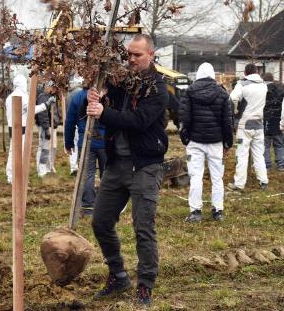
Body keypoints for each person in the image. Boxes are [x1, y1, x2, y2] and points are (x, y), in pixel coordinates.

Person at [86, 34, 169, 306]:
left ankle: (145, 285)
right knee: (100, 221)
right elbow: (107, 103)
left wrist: (103, 113)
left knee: (143, 227)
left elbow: (138, 121)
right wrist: (99, 95)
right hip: (117, 164)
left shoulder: (157, 88)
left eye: (137, 55)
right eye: (129, 54)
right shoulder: (122, 81)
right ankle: (118, 274)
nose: (131, 59)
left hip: (145, 166)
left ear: (151, 55)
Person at [178, 62, 233, 223]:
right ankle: (218, 211)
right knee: (217, 177)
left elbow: (184, 118)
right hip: (216, 142)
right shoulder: (223, 94)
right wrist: (227, 143)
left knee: (196, 176)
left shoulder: (189, 92)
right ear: (213, 75)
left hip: (195, 141)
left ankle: (195, 211)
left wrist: (185, 139)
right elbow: (227, 122)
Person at [5, 74, 55, 184]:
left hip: (12, 128)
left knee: (12, 153)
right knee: (20, 153)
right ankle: (16, 178)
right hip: (21, 129)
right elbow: (32, 109)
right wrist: (46, 105)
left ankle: (11, 176)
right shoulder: (23, 97)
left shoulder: (9, 97)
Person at [65, 88, 107, 215]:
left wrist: (69, 142)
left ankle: (88, 206)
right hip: (105, 141)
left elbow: (70, 122)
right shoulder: (106, 94)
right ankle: (106, 204)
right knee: (107, 173)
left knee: (87, 174)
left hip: (86, 141)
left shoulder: (77, 96)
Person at [227, 63, 268, 191]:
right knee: (259, 154)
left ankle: (239, 184)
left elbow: (233, 97)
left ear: (245, 73)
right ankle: (263, 182)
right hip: (259, 123)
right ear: (257, 71)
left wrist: (235, 111)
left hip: (245, 124)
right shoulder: (264, 85)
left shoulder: (242, 84)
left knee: (242, 154)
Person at [35, 81, 59, 176]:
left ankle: (49, 166)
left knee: (53, 147)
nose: (54, 90)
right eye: (53, 88)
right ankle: (41, 169)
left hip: (53, 126)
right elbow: (42, 114)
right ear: (48, 86)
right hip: (46, 126)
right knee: (44, 147)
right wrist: (46, 129)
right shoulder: (43, 97)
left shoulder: (51, 96)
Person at [262, 73, 284, 171]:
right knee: (279, 144)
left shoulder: (262, 90)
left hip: (265, 121)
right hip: (277, 121)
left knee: (265, 145)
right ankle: (281, 165)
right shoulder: (281, 90)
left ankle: (267, 165)